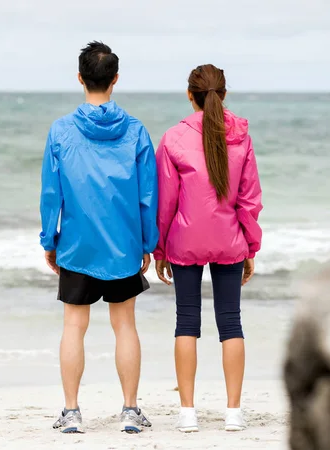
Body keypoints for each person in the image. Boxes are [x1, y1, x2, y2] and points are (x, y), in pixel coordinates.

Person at [39, 41, 159, 434]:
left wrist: (49, 241)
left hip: (77, 244)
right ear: (116, 80)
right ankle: (129, 411)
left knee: (74, 325)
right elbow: (147, 195)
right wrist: (147, 243)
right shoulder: (136, 131)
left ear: (80, 78)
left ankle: (72, 413)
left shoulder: (61, 131)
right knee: (124, 325)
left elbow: (50, 193)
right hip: (123, 244)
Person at [154, 64, 263, 433]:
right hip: (230, 240)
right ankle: (233, 412)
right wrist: (250, 247)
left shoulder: (172, 138)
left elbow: (165, 202)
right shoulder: (241, 137)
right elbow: (249, 201)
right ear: (224, 95)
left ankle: (187, 412)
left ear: (190, 95)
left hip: (184, 242)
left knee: (187, 322)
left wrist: (160, 249)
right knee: (231, 323)